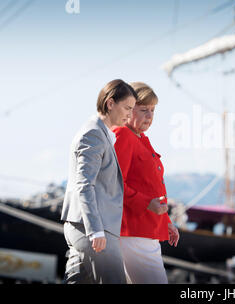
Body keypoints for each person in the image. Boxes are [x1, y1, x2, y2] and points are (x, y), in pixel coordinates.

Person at [61, 79, 137, 283]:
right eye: (127, 108)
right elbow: (84, 185)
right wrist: (95, 230)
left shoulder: (101, 133)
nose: (130, 115)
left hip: (86, 228)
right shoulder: (94, 134)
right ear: (110, 103)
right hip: (93, 228)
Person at [113, 81, 179, 284]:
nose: (149, 116)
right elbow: (115, 184)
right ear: (128, 109)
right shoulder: (123, 135)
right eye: (143, 110)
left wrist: (166, 222)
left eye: (152, 110)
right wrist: (146, 204)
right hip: (133, 231)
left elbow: (152, 187)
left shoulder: (141, 139)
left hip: (144, 231)